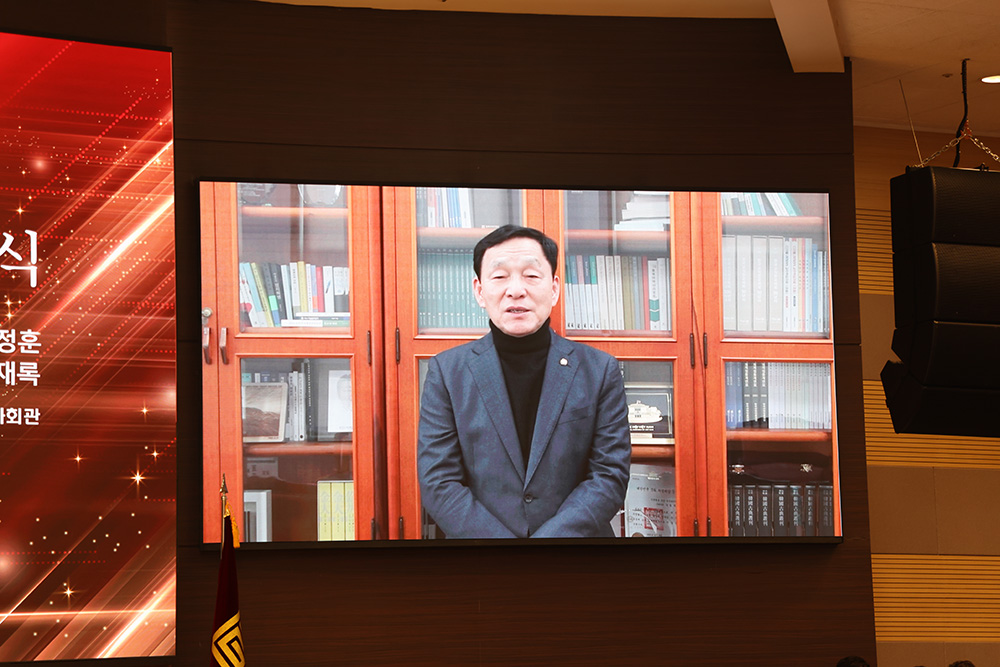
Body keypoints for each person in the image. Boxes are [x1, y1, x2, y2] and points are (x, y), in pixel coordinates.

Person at [417, 224, 631, 538]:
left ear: (555, 289)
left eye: (531, 275)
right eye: (500, 276)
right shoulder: (447, 373)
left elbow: (609, 476)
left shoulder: (599, 370)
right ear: (479, 291)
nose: (516, 290)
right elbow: (438, 482)